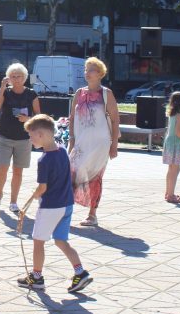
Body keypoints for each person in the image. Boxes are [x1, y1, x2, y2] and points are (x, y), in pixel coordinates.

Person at [16, 114, 92, 293]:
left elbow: (43, 187)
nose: (30, 138)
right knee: (61, 241)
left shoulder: (44, 160)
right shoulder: (62, 150)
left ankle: (36, 277)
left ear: (41, 134)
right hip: (66, 204)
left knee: (38, 241)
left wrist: (31, 199)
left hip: (51, 207)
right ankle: (80, 272)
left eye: (31, 135)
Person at [68, 58, 120, 227]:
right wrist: (72, 139)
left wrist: (114, 145)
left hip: (100, 143)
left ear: (99, 74)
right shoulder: (79, 93)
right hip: (81, 142)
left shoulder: (106, 93)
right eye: (86, 69)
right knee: (72, 171)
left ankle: (92, 214)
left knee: (95, 176)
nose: (87, 73)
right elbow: (72, 117)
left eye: (91, 70)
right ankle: (65, 208)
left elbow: (115, 119)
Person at [0, 62, 40, 213]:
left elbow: (39, 115)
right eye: (13, 76)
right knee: (2, 168)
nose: (16, 79)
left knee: (18, 171)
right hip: (5, 135)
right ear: (8, 78)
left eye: (19, 76)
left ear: (25, 77)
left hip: (24, 138)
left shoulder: (31, 94)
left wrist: (28, 119)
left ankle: (13, 201)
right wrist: (2, 88)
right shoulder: (5, 92)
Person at [163, 91, 180, 204]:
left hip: (169, 143)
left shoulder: (173, 114)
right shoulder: (179, 115)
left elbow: (176, 127)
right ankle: (171, 195)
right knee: (175, 169)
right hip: (175, 143)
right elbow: (178, 133)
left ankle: (168, 193)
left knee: (171, 169)